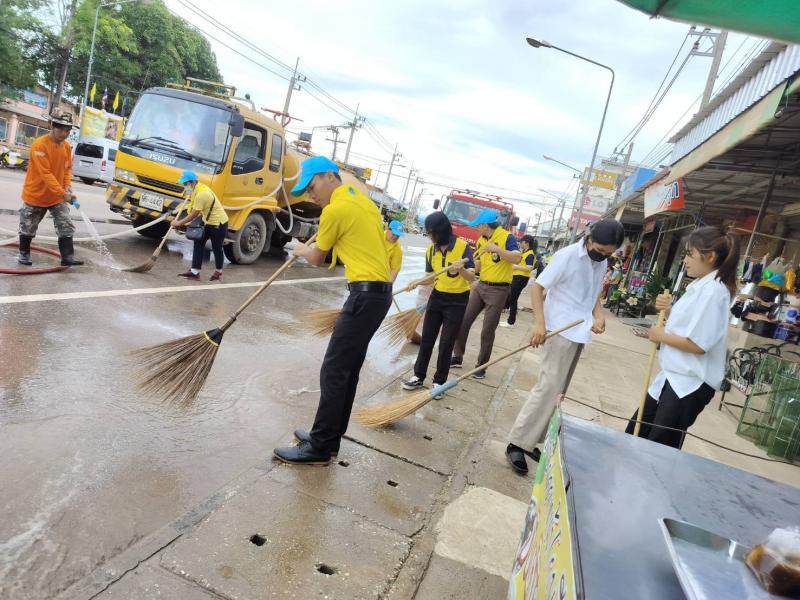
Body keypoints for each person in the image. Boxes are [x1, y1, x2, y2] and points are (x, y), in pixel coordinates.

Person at [274, 156, 392, 465]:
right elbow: (337, 254)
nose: (311, 195)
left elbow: (316, 258)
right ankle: (330, 438)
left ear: (329, 176)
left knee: (334, 370)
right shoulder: (362, 202)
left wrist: (300, 248)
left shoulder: (335, 209)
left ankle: (319, 447)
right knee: (347, 370)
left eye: (312, 187)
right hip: (378, 296)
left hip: (365, 296)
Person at [506, 219, 625, 474]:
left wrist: (599, 315)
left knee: (558, 391)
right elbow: (538, 288)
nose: (602, 256)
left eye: (608, 253)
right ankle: (517, 442)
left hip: (579, 331)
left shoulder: (601, 261)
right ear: (589, 238)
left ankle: (532, 442)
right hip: (558, 328)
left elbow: (593, 294)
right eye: (600, 250)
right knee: (547, 386)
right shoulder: (567, 256)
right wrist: (540, 324)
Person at [626, 227, 739, 449]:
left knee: (659, 447)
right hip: (674, 376)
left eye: (690, 254)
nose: (684, 260)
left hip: (690, 383)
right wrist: (668, 310)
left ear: (710, 257)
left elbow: (698, 345)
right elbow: (690, 326)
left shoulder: (714, 292)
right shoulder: (699, 285)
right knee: (635, 432)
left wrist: (661, 336)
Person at [401, 212, 475, 395]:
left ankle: (439, 382)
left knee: (446, 342)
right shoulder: (431, 250)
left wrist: (462, 270)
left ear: (440, 231)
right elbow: (430, 278)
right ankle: (418, 376)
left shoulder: (463, 247)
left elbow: (472, 277)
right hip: (437, 297)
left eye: (430, 232)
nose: (429, 236)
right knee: (427, 338)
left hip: (457, 301)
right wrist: (417, 281)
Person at [450, 209, 520, 379]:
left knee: (487, 330)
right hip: (481, 286)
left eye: (477, 226)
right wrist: (467, 271)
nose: (476, 229)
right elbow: (478, 264)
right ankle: (457, 356)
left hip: (499, 290)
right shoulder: (481, 240)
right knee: (464, 320)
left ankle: (481, 367)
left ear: (484, 225)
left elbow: (516, 258)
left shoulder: (507, 237)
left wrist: (497, 249)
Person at [17, 110, 83, 267]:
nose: (64, 133)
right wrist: (63, 193)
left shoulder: (67, 147)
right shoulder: (40, 145)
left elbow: (67, 169)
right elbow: (46, 175)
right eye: (61, 129)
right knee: (28, 226)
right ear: (52, 126)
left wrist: (67, 186)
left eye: (68, 130)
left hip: (57, 196)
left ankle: (68, 257)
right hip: (36, 195)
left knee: (66, 224)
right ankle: (24, 254)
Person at [170, 170, 229, 281]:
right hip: (207, 221)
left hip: (219, 224)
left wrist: (178, 223)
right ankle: (195, 272)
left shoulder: (202, 194)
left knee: (217, 248)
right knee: (198, 242)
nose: (184, 186)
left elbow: (194, 214)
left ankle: (218, 271)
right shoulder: (197, 189)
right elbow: (194, 207)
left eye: (185, 184)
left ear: (192, 182)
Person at [500, 234, 537, 328]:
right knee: (512, 298)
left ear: (526, 243)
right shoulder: (524, 252)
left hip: (521, 278)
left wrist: (516, 267)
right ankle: (509, 319)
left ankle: (511, 322)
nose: (520, 243)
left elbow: (529, 268)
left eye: (522, 242)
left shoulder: (530, 254)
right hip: (517, 277)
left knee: (513, 299)